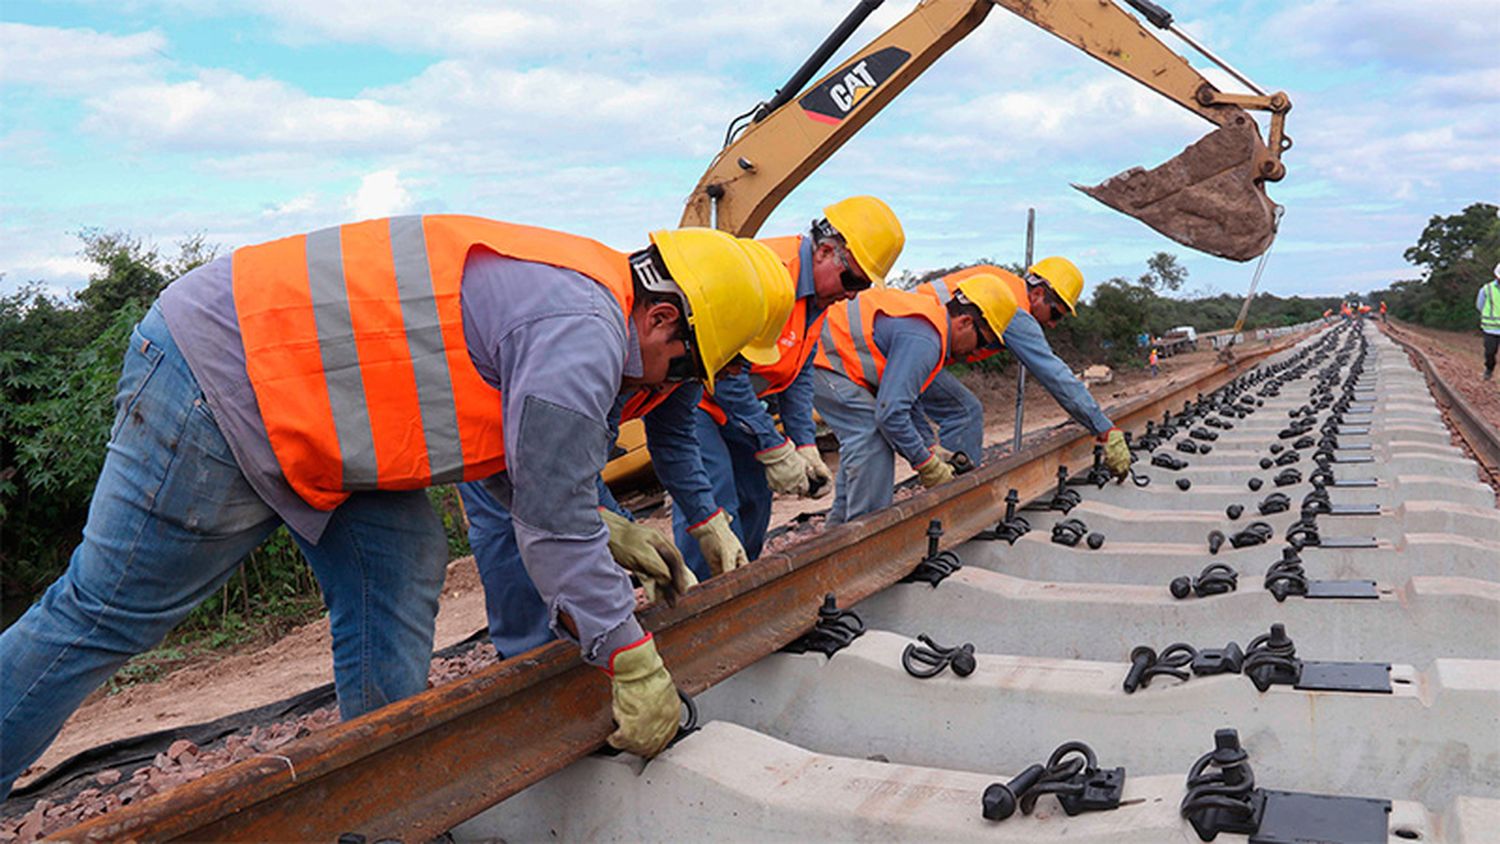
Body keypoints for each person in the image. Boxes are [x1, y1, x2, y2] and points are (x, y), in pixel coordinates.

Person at [0, 215, 788, 797]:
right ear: (659, 318)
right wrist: (633, 660)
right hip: (219, 376)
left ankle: (382, 791)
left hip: (310, 404)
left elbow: (510, 458)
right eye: (681, 369)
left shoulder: (586, 297)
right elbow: (550, 527)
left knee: (402, 562)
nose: (667, 390)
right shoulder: (579, 332)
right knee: (104, 612)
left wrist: (601, 525)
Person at [457, 238, 794, 659]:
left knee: (574, 546)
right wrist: (628, 654)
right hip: (490, 445)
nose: (721, 376)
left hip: (548, 443)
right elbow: (561, 490)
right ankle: (531, 663)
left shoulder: (681, 354)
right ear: (665, 318)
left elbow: (673, 440)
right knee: (517, 542)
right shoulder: (589, 339)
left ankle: (582, 648)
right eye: (720, 364)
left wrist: (707, 520)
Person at [672, 196, 906, 580]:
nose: (851, 294)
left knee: (755, 500)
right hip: (696, 403)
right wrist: (772, 444)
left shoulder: (817, 296)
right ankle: (699, 603)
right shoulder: (771, 275)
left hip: (740, 409)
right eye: (852, 280)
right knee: (716, 505)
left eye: (861, 287)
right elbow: (730, 378)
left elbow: (798, 371)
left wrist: (804, 444)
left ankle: (737, 592)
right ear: (827, 251)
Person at [811, 274, 1019, 523]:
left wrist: (930, 446)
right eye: (983, 341)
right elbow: (890, 413)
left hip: (829, 358)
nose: (978, 351)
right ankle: (867, 535)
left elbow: (907, 402)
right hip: (818, 356)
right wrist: (926, 464)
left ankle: (839, 532)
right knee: (871, 436)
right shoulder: (926, 339)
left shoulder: (930, 325)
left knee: (864, 437)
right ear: (964, 322)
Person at [912, 259, 1130, 480]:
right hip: (910, 346)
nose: (1053, 324)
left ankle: (945, 479)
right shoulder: (1013, 310)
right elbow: (1054, 375)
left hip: (902, 338)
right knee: (964, 413)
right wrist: (1104, 428)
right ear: (1037, 293)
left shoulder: (1002, 282)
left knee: (953, 412)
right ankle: (955, 495)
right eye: (1055, 314)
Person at [1480, 263, 1500, 381]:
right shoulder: (1487, 289)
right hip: (1491, 328)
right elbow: (1480, 305)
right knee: (1490, 352)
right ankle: (1489, 368)